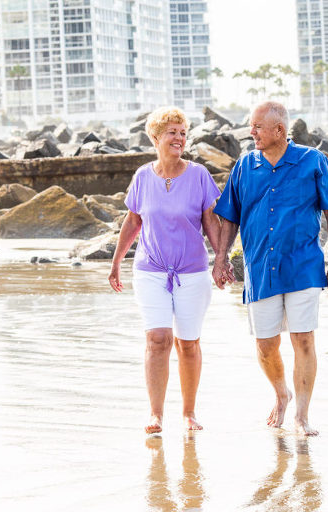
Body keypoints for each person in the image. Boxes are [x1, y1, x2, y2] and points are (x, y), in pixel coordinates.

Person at [211, 101, 328, 437]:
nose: (250, 132)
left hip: (303, 266)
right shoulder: (244, 165)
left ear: (279, 131)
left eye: (256, 126)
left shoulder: (312, 161)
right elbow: (229, 216)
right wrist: (221, 258)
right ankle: (281, 393)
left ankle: (301, 414)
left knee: (303, 339)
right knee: (265, 344)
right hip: (259, 269)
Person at [109, 106, 222, 434]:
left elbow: (210, 221)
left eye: (183, 133)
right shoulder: (143, 176)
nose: (179, 138)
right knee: (158, 339)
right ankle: (156, 414)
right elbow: (133, 221)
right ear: (156, 138)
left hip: (191, 270)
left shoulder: (199, 175)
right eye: (172, 132)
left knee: (188, 343)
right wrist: (116, 262)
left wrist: (221, 259)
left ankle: (188, 413)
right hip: (151, 268)